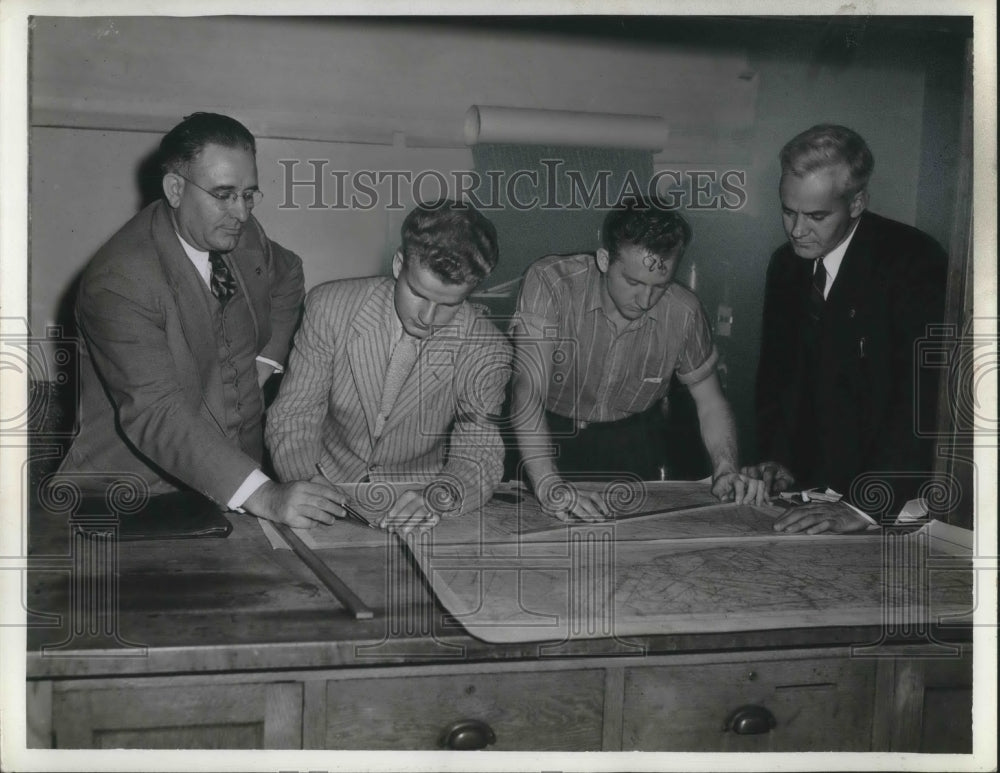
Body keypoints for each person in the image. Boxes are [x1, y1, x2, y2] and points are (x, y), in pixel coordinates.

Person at [57, 112, 345, 527]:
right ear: (175, 189)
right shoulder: (119, 280)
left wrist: (264, 363)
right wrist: (263, 494)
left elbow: (288, 275)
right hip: (134, 500)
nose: (241, 213)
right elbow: (156, 413)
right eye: (224, 194)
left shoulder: (239, 233)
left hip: (235, 488)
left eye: (249, 195)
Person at [510, 197, 764, 522]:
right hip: (545, 440)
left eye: (660, 285)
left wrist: (726, 469)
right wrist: (547, 484)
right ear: (604, 260)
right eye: (632, 282)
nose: (645, 301)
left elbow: (711, 403)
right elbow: (527, 387)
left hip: (631, 448)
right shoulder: (550, 281)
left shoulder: (684, 311)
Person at [265, 200, 511, 533]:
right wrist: (308, 484)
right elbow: (295, 416)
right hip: (323, 483)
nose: (427, 317)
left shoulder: (487, 349)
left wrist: (437, 496)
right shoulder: (330, 307)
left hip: (419, 504)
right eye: (418, 293)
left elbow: (480, 456)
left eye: (449, 304)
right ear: (398, 264)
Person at [748, 124, 947, 534]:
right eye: (788, 210)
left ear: (857, 202)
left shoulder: (913, 261)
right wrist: (775, 456)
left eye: (817, 216)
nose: (797, 230)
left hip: (888, 494)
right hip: (812, 487)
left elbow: (921, 396)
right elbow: (778, 375)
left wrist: (865, 506)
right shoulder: (785, 264)